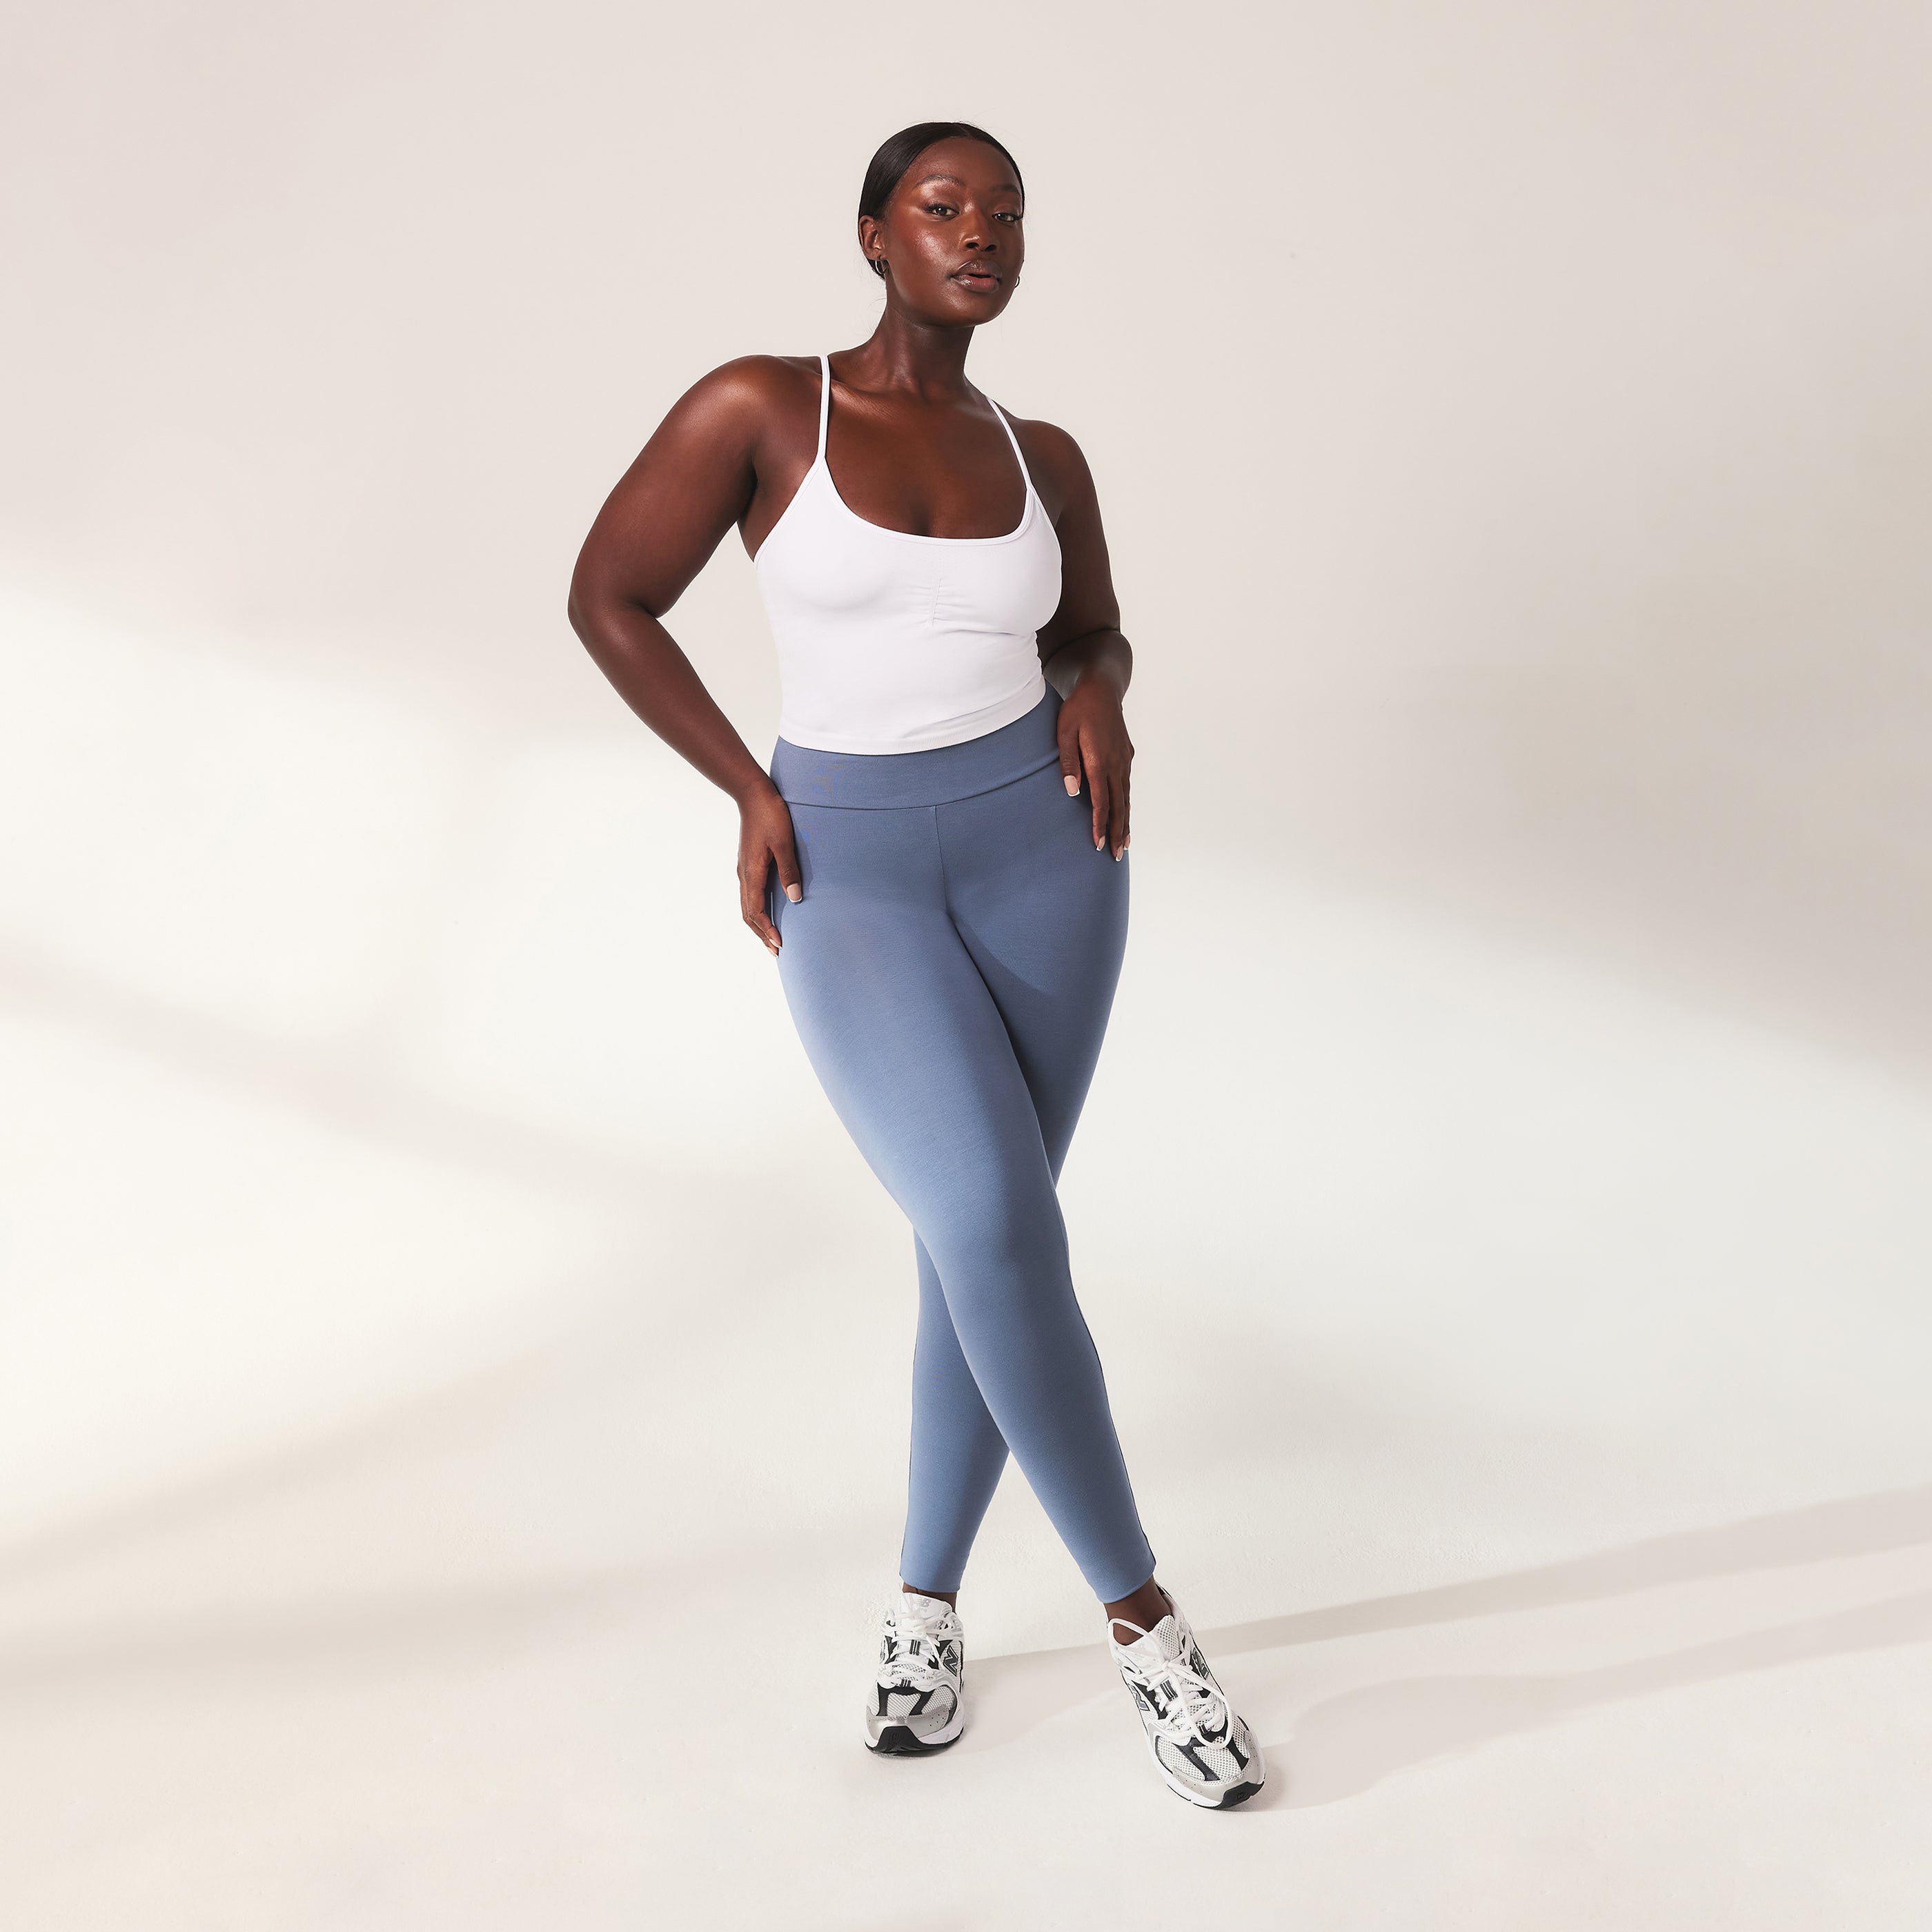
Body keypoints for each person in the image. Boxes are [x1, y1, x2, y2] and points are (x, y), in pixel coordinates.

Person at [566, 121, 1263, 1809]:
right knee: (993, 1225)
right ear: (874, 234)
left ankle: (921, 1608)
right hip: (851, 869)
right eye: (943, 208)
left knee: (986, 1242)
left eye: (1004, 213)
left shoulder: (1044, 453)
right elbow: (608, 597)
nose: (979, 234)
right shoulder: (762, 406)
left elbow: (1088, 629)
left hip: (1049, 859)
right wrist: (749, 788)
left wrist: (1099, 692)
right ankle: (1146, 1625)